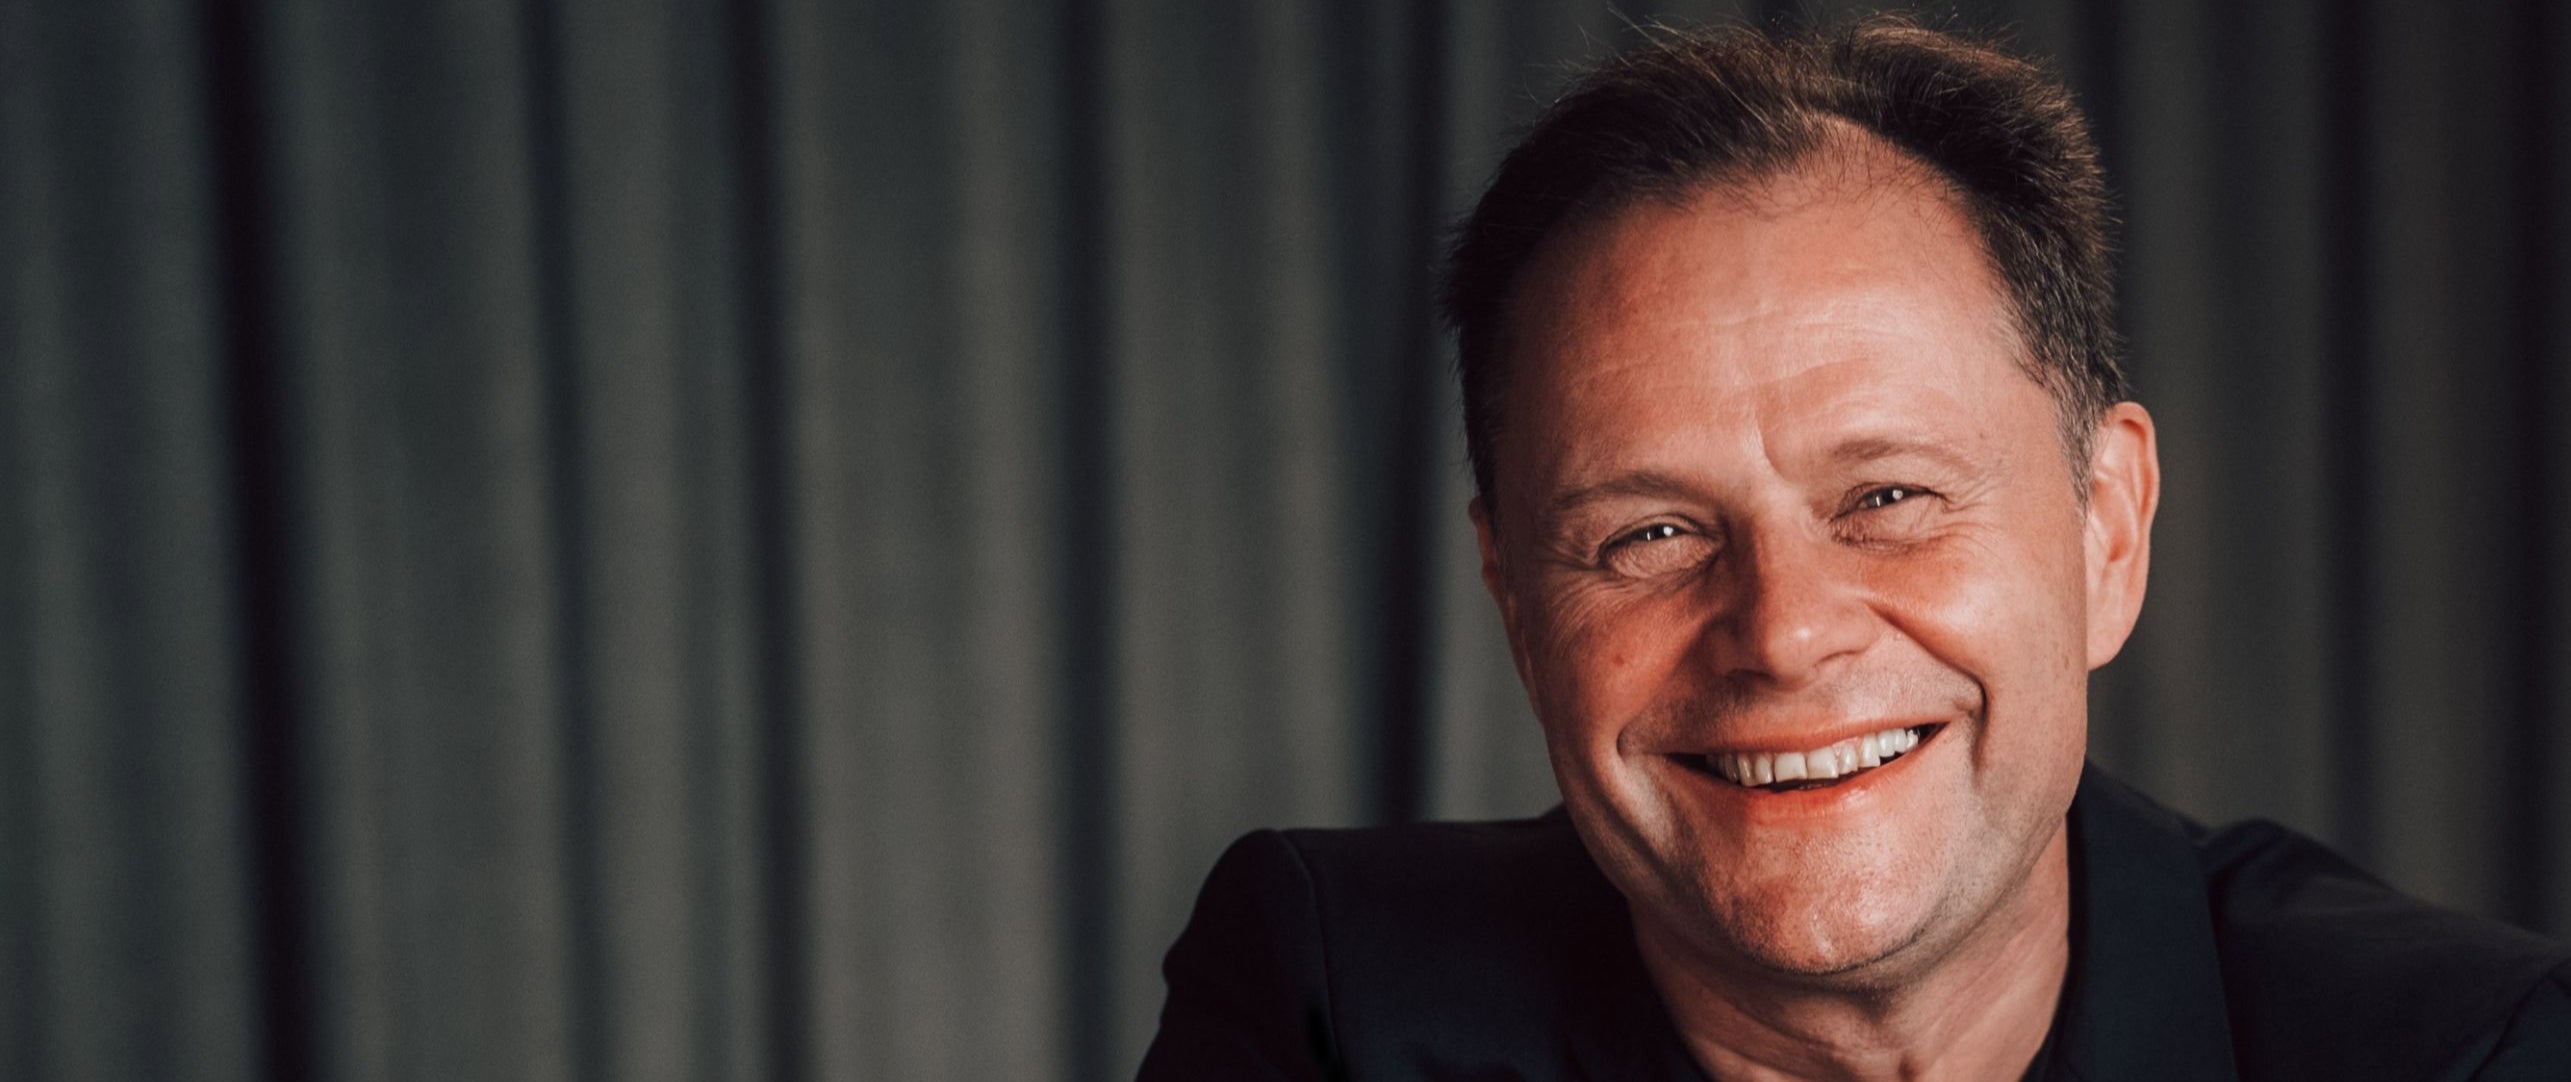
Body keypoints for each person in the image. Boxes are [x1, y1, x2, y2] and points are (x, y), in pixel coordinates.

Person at [1135, 18, 2571, 1082]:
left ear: (2108, 528)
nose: (1784, 630)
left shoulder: (2465, 1052)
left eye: (1887, 496)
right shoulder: (1332, 1011)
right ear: (1514, 600)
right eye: (1650, 533)